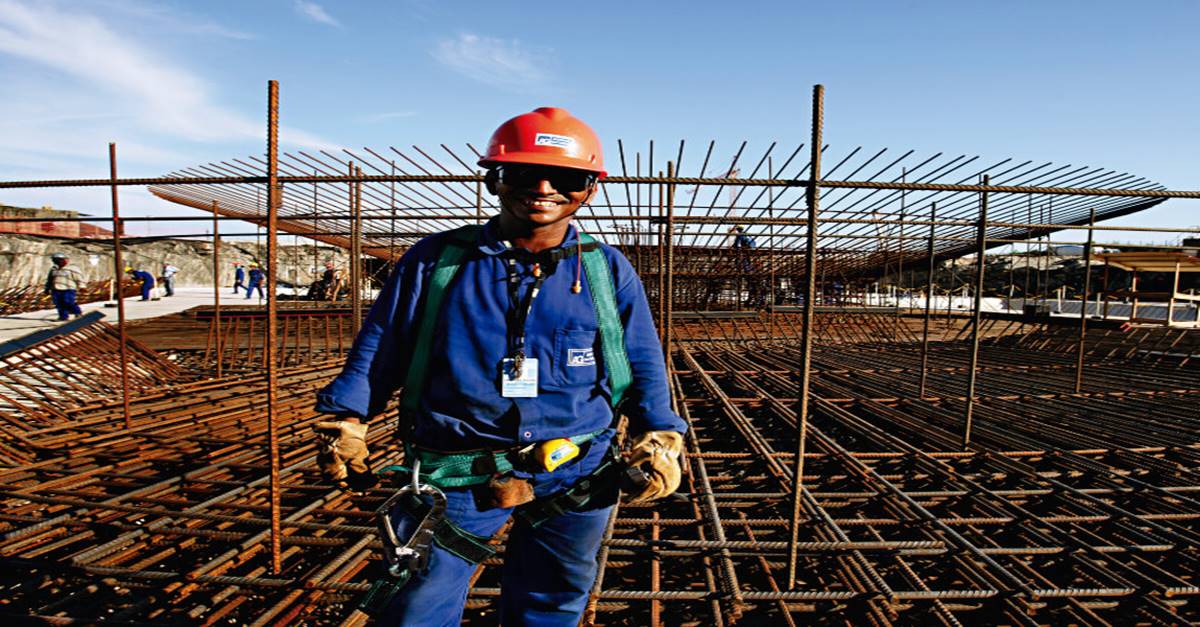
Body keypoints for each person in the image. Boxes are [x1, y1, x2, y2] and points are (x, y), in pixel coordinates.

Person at [312, 107, 686, 625]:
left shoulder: (604, 269)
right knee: (417, 604)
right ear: (495, 179)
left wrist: (660, 433)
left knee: (552, 598)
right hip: (457, 469)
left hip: (575, 466)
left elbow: (641, 357)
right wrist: (345, 419)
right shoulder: (436, 262)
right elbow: (380, 350)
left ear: (590, 188)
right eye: (525, 173)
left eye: (567, 177)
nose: (545, 187)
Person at [44, 252, 84, 321]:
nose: (55, 261)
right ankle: (63, 316)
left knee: (68, 302)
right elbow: (50, 280)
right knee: (59, 304)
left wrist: (82, 286)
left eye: (57, 260)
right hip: (56, 289)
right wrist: (47, 288)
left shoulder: (71, 268)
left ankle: (77, 312)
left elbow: (78, 278)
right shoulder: (54, 269)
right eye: (54, 260)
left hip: (68, 288)